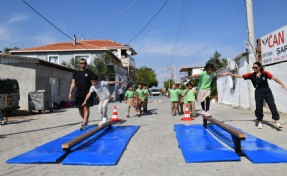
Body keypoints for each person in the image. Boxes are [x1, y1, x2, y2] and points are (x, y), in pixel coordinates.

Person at [226, 61, 286, 129]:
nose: (254, 68)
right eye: (253, 67)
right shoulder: (251, 75)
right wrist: (230, 73)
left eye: (255, 67)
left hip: (267, 90)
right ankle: (259, 121)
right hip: (258, 91)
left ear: (259, 67)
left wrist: (281, 83)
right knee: (259, 107)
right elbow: (240, 76)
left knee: (272, 105)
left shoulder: (265, 73)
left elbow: (273, 78)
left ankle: (276, 122)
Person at [68, 58, 95, 130]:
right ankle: (85, 120)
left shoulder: (90, 72)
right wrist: (70, 93)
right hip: (78, 93)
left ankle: (84, 123)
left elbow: (94, 83)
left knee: (86, 108)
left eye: (84, 63)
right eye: (81, 63)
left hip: (87, 94)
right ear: (79, 64)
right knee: (80, 109)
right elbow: (73, 83)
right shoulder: (75, 73)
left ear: (86, 64)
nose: (83, 64)